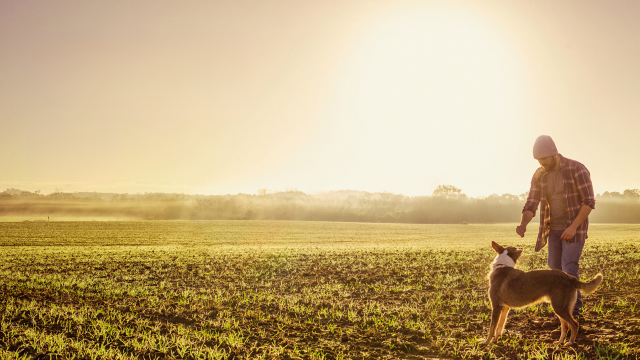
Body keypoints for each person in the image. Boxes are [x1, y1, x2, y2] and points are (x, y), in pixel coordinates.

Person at [516, 135, 595, 318]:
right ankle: (562, 313)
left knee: (569, 269)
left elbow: (589, 202)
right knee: (554, 270)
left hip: (574, 229)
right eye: (538, 160)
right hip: (552, 230)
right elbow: (531, 203)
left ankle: (573, 313)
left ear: (553, 153)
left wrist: (573, 227)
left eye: (543, 159)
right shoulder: (539, 174)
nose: (541, 163)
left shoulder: (576, 169)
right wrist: (523, 224)